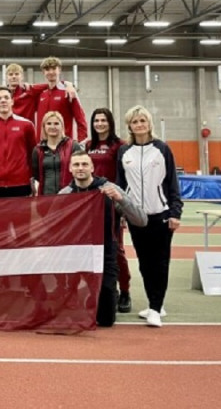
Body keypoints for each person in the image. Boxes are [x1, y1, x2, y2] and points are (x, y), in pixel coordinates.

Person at [59, 151, 147, 327]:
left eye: (84, 164)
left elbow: (141, 220)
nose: (80, 168)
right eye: (76, 165)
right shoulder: (65, 194)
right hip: (77, 254)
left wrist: (121, 200)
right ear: (70, 168)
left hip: (105, 253)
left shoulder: (109, 189)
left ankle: (108, 293)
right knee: (73, 315)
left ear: (92, 167)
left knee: (106, 319)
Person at [118, 105, 183, 328]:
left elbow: (173, 183)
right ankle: (154, 301)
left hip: (161, 214)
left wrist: (175, 212)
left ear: (149, 123)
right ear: (130, 126)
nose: (139, 125)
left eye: (142, 121)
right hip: (137, 217)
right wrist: (123, 212)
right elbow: (121, 186)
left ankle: (156, 308)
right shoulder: (124, 152)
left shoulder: (162, 149)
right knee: (145, 264)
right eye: (135, 122)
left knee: (160, 262)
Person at [85, 107, 131, 313]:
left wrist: (121, 208)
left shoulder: (120, 145)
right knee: (92, 249)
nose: (100, 124)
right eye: (96, 120)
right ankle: (97, 290)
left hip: (112, 205)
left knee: (117, 249)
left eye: (103, 120)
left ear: (110, 122)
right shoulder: (87, 145)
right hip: (90, 206)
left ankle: (125, 291)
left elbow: (123, 177)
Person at [35, 57, 88, 141]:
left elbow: (81, 119)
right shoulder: (41, 94)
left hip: (63, 145)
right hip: (42, 146)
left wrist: (81, 142)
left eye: (53, 68)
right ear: (43, 72)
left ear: (59, 70)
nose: (51, 72)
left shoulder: (69, 92)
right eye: (47, 69)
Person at [32, 111, 82, 196]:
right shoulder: (38, 150)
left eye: (56, 123)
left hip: (69, 196)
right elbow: (36, 175)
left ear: (62, 126)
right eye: (49, 123)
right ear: (44, 127)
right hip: (46, 197)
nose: (52, 127)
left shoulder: (73, 146)